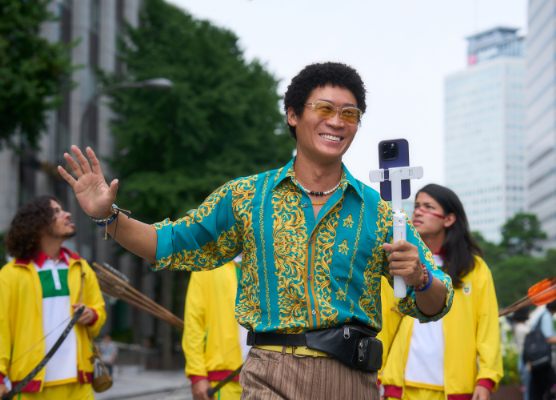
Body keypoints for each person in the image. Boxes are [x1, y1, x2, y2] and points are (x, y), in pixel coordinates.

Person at [58, 62, 454, 399]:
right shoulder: (245, 197)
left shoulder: (380, 212)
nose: (337, 121)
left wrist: (420, 277)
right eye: (324, 108)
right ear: (293, 115)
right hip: (270, 375)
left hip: (351, 380)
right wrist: (108, 217)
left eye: (349, 114)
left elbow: (437, 302)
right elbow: (169, 243)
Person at [378, 184, 503, 400]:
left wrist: (487, 378)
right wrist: (376, 375)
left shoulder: (475, 268)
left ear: (449, 219)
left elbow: (487, 324)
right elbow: (384, 321)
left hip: (456, 391)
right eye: (417, 206)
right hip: (399, 389)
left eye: (428, 207)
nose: (418, 212)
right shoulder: (398, 262)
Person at [0, 196, 107, 399]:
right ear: (38, 224)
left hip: (80, 385)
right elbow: (1, 329)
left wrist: (92, 315)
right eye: (56, 212)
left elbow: (98, 315)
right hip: (29, 387)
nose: (67, 214)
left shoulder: (81, 268)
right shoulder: (10, 275)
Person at [184, 258, 250, 400]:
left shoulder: (269, 259)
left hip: (268, 377)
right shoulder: (207, 260)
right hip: (223, 380)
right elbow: (194, 323)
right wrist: (197, 374)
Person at [529, 295, 556, 400]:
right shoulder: (547, 316)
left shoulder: (542, 315)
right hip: (542, 359)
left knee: (536, 391)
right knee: (555, 388)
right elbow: (549, 338)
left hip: (535, 359)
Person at [512, 307, 531, 400]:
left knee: (527, 389)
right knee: (528, 391)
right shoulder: (523, 328)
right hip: (526, 360)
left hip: (521, 359)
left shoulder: (517, 326)